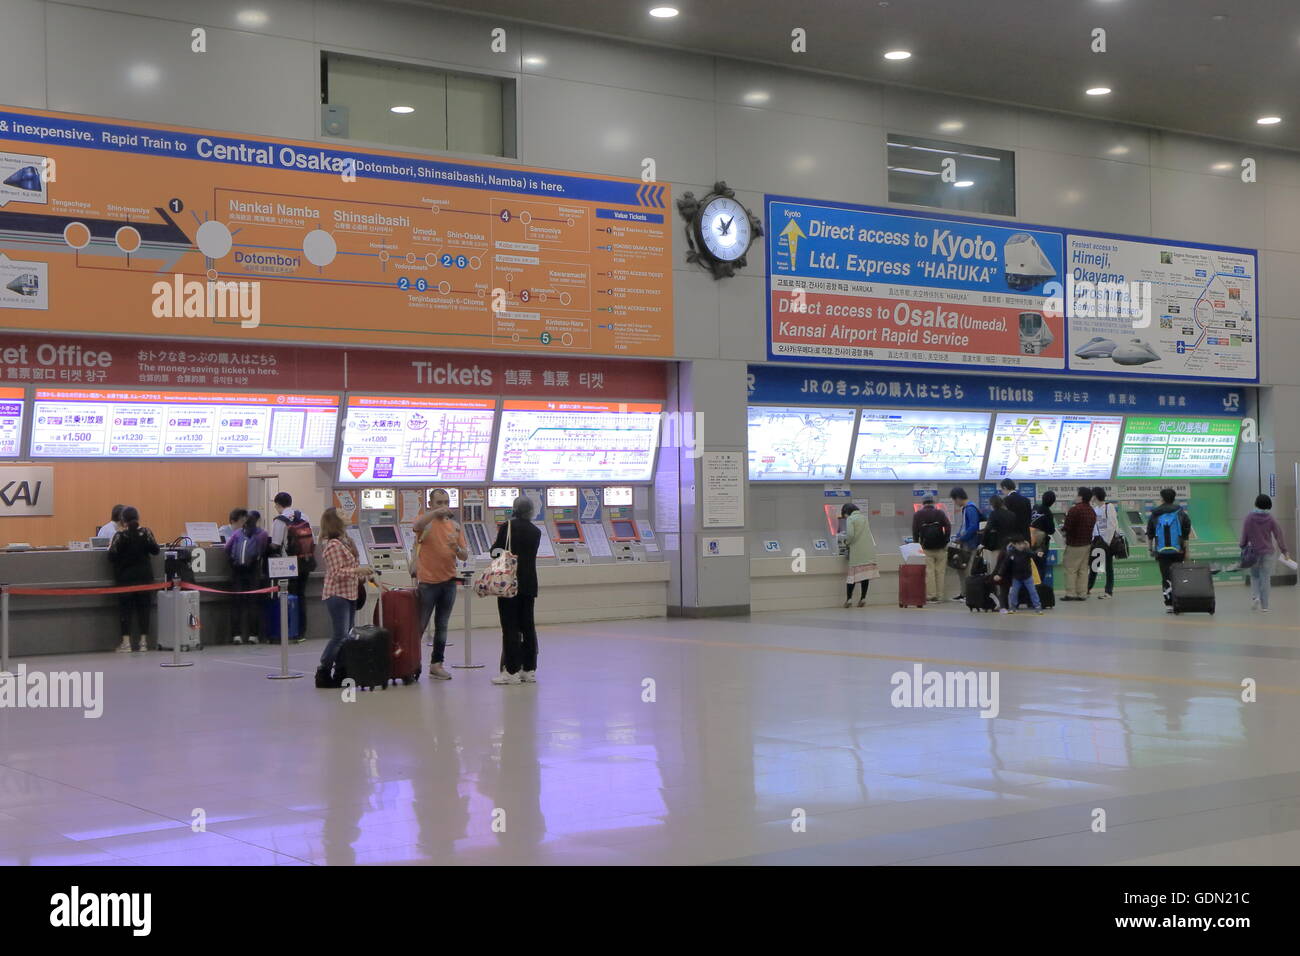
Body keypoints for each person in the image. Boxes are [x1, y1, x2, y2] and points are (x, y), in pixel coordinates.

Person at [412, 489, 469, 680]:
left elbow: (464, 555)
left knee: (442, 625)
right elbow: (416, 525)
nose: (443, 506)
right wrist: (434, 514)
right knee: (420, 624)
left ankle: (437, 664)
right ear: (431, 504)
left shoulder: (455, 526)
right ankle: (411, 662)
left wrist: (457, 548)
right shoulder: (425, 522)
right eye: (439, 502)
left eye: (446, 502)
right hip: (428, 582)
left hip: (449, 581)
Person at [315, 508, 373, 687]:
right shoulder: (333, 545)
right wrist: (358, 570)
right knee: (340, 635)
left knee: (347, 635)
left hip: (350, 592)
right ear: (334, 521)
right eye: (341, 514)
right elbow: (336, 572)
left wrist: (363, 576)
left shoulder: (347, 541)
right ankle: (323, 669)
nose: (347, 515)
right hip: (337, 594)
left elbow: (348, 569)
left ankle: (342, 671)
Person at [490, 496, 542, 685]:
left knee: (510, 627)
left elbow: (496, 551)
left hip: (509, 582)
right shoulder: (536, 531)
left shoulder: (508, 527)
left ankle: (511, 671)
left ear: (514, 508)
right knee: (528, 626)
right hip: (529, 583)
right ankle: (528, 670)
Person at [106, 506, 160, 652]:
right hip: (144, 577)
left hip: (125, 579)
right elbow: (156, 550)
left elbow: (111, 557)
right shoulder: (146, 533)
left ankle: (126, 643)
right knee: (144, 609)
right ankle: (143, 642)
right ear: (138, 518)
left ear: (123, 520)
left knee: (125, 611)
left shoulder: (119, 536)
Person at [269, 492, 314, 641]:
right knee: (301, 595)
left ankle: (289, 630)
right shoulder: (304, 516)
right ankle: (302, 631)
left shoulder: (280, 520)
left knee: (288, 596)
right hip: (305, 562)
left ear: (277, 504)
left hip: (288, 564)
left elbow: (275, 544)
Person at [1240, 494, 1290, 613]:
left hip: (1253, 553)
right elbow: (1279, 534)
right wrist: (1284, 550)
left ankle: (1255, 597)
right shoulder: (1270, 518)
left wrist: (1242, 546)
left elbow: (1245, 534)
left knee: (1255, 576)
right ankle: (1265, 606)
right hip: (1267, 552)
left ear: (1256, 503)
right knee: (1265, 578)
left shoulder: (1249, 518)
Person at [225, 509, 268, 645]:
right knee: (253, 603)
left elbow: (227, 548)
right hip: (253, 570)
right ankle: (253, 636)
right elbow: (262, 550)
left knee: (236, 603)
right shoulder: (262, 534)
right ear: (258, 521)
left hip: (237, 570)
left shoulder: (237, 533)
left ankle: (236, 635)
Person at [1146, 488, 1192, 612]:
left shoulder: (1155, 513)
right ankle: (1180, 601)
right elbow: (1186, 532)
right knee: (1178, 575)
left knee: (1166, 576)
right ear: (1173, 498)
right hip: (1178, 551)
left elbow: (1150, 533)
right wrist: (1187, 550)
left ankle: (1169, 604)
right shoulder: (1180, 512)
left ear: (1162, 498)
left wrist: (1150, 549)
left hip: (1161, 551)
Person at [912, 497, 951, 604]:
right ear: (933, 503)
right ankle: (940, 596)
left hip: (926, 547)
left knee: (929, 572)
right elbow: (948, 526)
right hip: (940, 547)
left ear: (923, 503)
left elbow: (915, 530)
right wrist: (946, 540)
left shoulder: (918, 515)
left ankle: (931, 595)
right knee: (940, 572)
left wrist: (917, 543)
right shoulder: (940, 513)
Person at [1061, 486, 1097, 601]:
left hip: (1074, 544)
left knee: (1071, 569)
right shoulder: (1091, 511)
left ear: (1080, 496)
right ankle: (1082, 593)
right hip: (1087, 544)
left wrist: (1063, 530)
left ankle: (1070, 593)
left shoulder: (1074, 510)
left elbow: (1067, 527)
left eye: (1076, 494)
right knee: (1083, 570)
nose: (1075, 497)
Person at [994, 535, 1044, 615]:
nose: (1021, 546)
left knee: (1033, 592)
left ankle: (1038, 607)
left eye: (1022, 544)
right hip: (1016, 578)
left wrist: (1038, 554)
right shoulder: (1010, 554)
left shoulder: (1027, 552)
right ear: (1014, 545)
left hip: (1027, 577)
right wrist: (999, 574)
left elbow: (1034, 555)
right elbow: (1004, 565)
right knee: (1014, 592)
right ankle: (1013, 607)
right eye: (1019, 544)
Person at [1087, 487, 1120, 600]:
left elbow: (1112, 524)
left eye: (1092, 495)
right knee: (1094, 565)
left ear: (1095, 496)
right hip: (1096, 540)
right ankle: (1087, 588)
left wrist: (1107, 542)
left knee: (1108, 567)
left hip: (1106, 540)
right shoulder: (1095, 508)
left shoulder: (1108, 507)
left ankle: (1108, 591)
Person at [841, 502, 876, 607]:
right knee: (865, 576)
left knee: (852, 577)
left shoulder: (851, 519)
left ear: (847, 512)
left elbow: (850, 535)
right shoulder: (864, 518)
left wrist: (846, 542)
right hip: (868, 551)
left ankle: (849, 599)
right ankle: (863, 598)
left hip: (857, 552)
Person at [949, 487, 981, 601]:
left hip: (970, 543)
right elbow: (964, 526)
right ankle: (964, 593)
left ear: (958, 498)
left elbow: (973, 526)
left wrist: (962, 538)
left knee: (967, 570)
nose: (954, 503)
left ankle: (969, 595)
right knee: (961, 569)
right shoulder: (966, 508)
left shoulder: (970, 508)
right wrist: (958, 536)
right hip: (965, 542)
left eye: (954, 500)